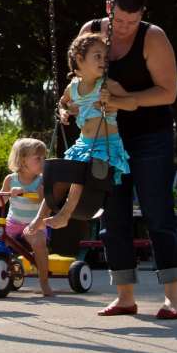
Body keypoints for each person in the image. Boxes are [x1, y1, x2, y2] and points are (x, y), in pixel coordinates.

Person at [64, 0, 177, 320]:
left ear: (142, 16)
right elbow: (79, 76)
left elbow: (168, 92)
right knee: (113, 216)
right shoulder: (90, 31)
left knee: (157, 212)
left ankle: (172, 298)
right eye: (119, 21)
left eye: (132, 22)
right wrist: (73, 107)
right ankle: (124, 296)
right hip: (106, 139)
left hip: (150, 135)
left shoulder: (153, 38)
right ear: (109, 9)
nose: (124, 29)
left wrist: (125, 101)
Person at [43, 33, 134, 232]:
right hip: (83, 143)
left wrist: (113, 101)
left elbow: (132, 103)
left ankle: (65, 215)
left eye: (105, 57)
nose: (103, 61)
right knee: (61, 176)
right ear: (80, 60)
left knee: (79, 174)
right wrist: (64, 112)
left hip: (104, 144)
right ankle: (39, 218)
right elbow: (62, 102)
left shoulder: (107, 85)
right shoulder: (73, 87)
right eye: (97, 56)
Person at [0, 138, 58, 297]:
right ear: (23, 160)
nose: (43, 161)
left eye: (44, 158)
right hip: (13, 223)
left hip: (34, 223)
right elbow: (1, 200)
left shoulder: (42, 180)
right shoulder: (10, 179)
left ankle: (44, 282)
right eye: (38, 158)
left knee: (40, 245)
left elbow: (41, 199)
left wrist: (22, 192)